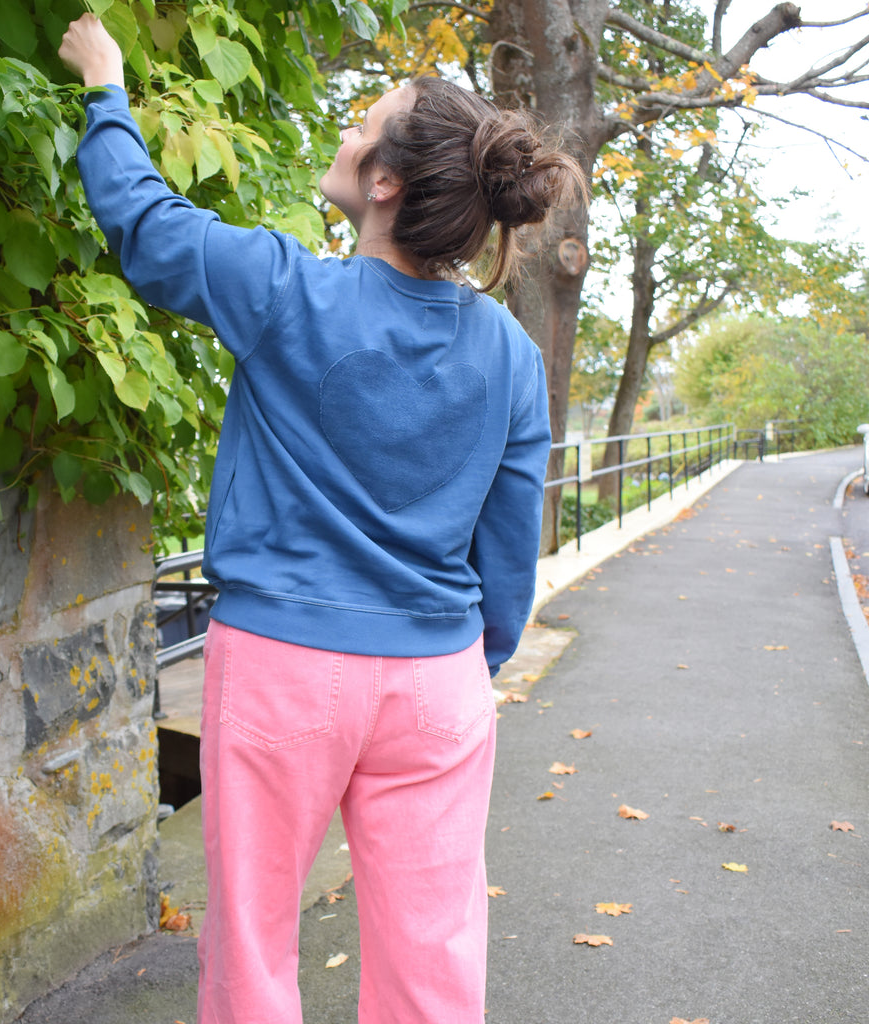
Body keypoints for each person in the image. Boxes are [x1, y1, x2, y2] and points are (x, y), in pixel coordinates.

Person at [59, 15, 587, 1023]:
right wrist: (472, 657)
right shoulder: (512, 356)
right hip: (437, 683)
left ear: (384, 182)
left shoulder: (282, 291)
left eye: (360, 130)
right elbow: (509, 548)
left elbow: (144, 221)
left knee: (254, 940)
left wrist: (106, 85)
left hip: (282, 666)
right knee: (432, 954)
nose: (343, 140)